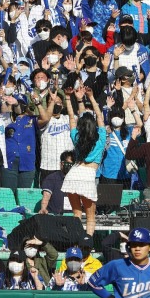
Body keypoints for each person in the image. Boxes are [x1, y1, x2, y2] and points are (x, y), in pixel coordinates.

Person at [61, 87, 106, 236]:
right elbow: (100, 117)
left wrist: (68, 98)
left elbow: (71, 118)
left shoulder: (76, 138)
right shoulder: (101, 138)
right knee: (91, 216)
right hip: (87, 177)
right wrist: (91, 97)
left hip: (73, 175)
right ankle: (87, 243)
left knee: (76, 214)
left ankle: (76, 241)